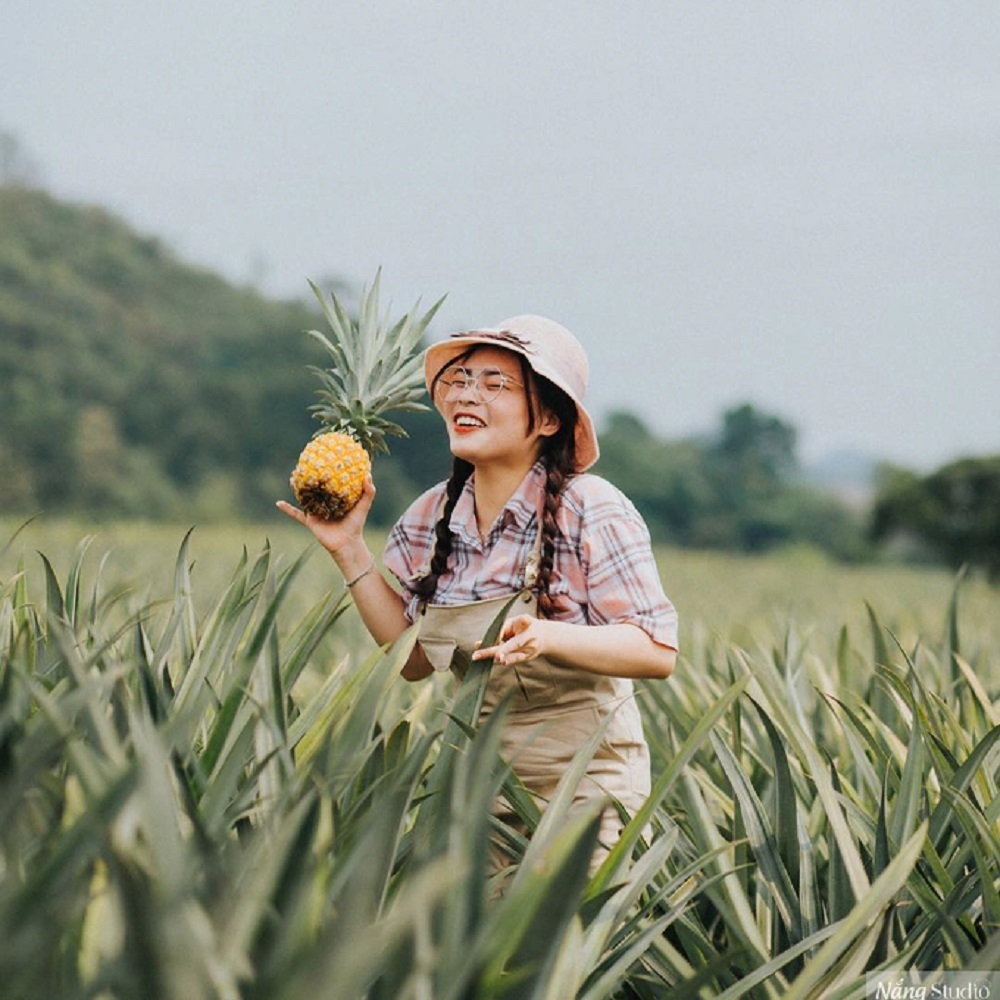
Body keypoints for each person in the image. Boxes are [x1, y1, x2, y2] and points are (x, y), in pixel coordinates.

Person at [277, 314, 678, 871]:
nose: (469, 395)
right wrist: (348, 550)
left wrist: (549, 635)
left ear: (550, 419)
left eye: (496, 385)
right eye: (462, 381)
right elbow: (412, 660)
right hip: (476, 788)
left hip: (588, 791)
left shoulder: (593, 508)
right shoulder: (431, 516)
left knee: (561, 952)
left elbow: (655, 651)